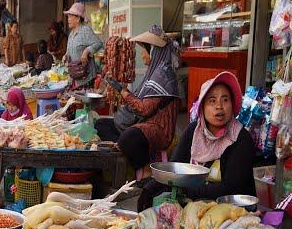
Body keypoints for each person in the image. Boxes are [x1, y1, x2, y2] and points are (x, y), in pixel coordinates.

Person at [138, 71, 256, 211]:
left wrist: (185, 191)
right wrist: (149, 189)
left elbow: (230, 189)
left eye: (225, 100)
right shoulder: (193, 131)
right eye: (212, 101)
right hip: (196, 205)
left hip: (233, 211)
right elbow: (174, 169)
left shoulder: (241, 139)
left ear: (232, 105)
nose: (219, 106)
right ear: (202, 107)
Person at [95, 25, 181, 180]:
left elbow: (144, 109)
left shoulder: (163, 75)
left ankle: (146, 170)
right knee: (100, 125)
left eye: (145, 50)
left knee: (129, 137)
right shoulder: (153, 72)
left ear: (154, 52)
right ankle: (126, 150)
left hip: (158, 128)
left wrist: (123, 92)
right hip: (142, 124)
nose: (141, 54)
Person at [63, 2, 103, 90]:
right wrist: (65, 55)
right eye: (68, 16)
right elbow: (69, 51)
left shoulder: (85, 30)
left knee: (84, 102)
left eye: (70, 16)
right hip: (75, 76)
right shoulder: (71, 34)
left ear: (77, 18)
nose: (68, 19)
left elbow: (99, 43)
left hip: (86, 78)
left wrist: (86, 51)